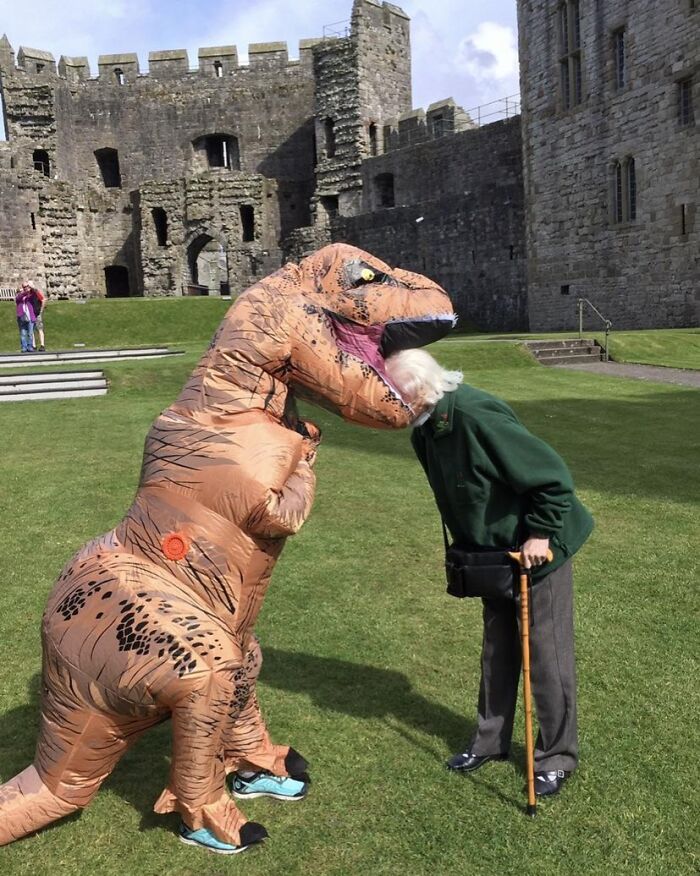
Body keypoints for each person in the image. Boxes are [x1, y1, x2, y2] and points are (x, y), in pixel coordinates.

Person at [385, 348, 594, 799]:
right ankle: (489, 741)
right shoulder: (423, 430)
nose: (386, 402)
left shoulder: (477, 415)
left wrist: (540, 535)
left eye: (391, 393)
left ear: (420, 389)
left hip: (539, 553)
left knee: (545, 657)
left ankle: (556, 757)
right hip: (493, 559)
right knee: (498, 650)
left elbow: (552, 480)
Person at [14, 282, 36, 353]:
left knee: (30, 333)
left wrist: (31, 288)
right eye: (24, 287)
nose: (25, 288)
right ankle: (24, 347)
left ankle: (30, 346)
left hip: (30, 316)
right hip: (21, 317)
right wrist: (24, 292)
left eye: (26, 286)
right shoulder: (19, 296)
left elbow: (35, 293)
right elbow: (18, 298)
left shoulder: (31, 296)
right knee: (23, 333)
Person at [27, 281, 46, 351]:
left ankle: (42, 345)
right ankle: (33, 345)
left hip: (37, 313)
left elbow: (43, 299)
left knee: (40, 329)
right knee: (31, 330)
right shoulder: (28, 294)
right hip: (30, 313)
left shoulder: (36, 292)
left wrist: (41, 310)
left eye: (29, 286)